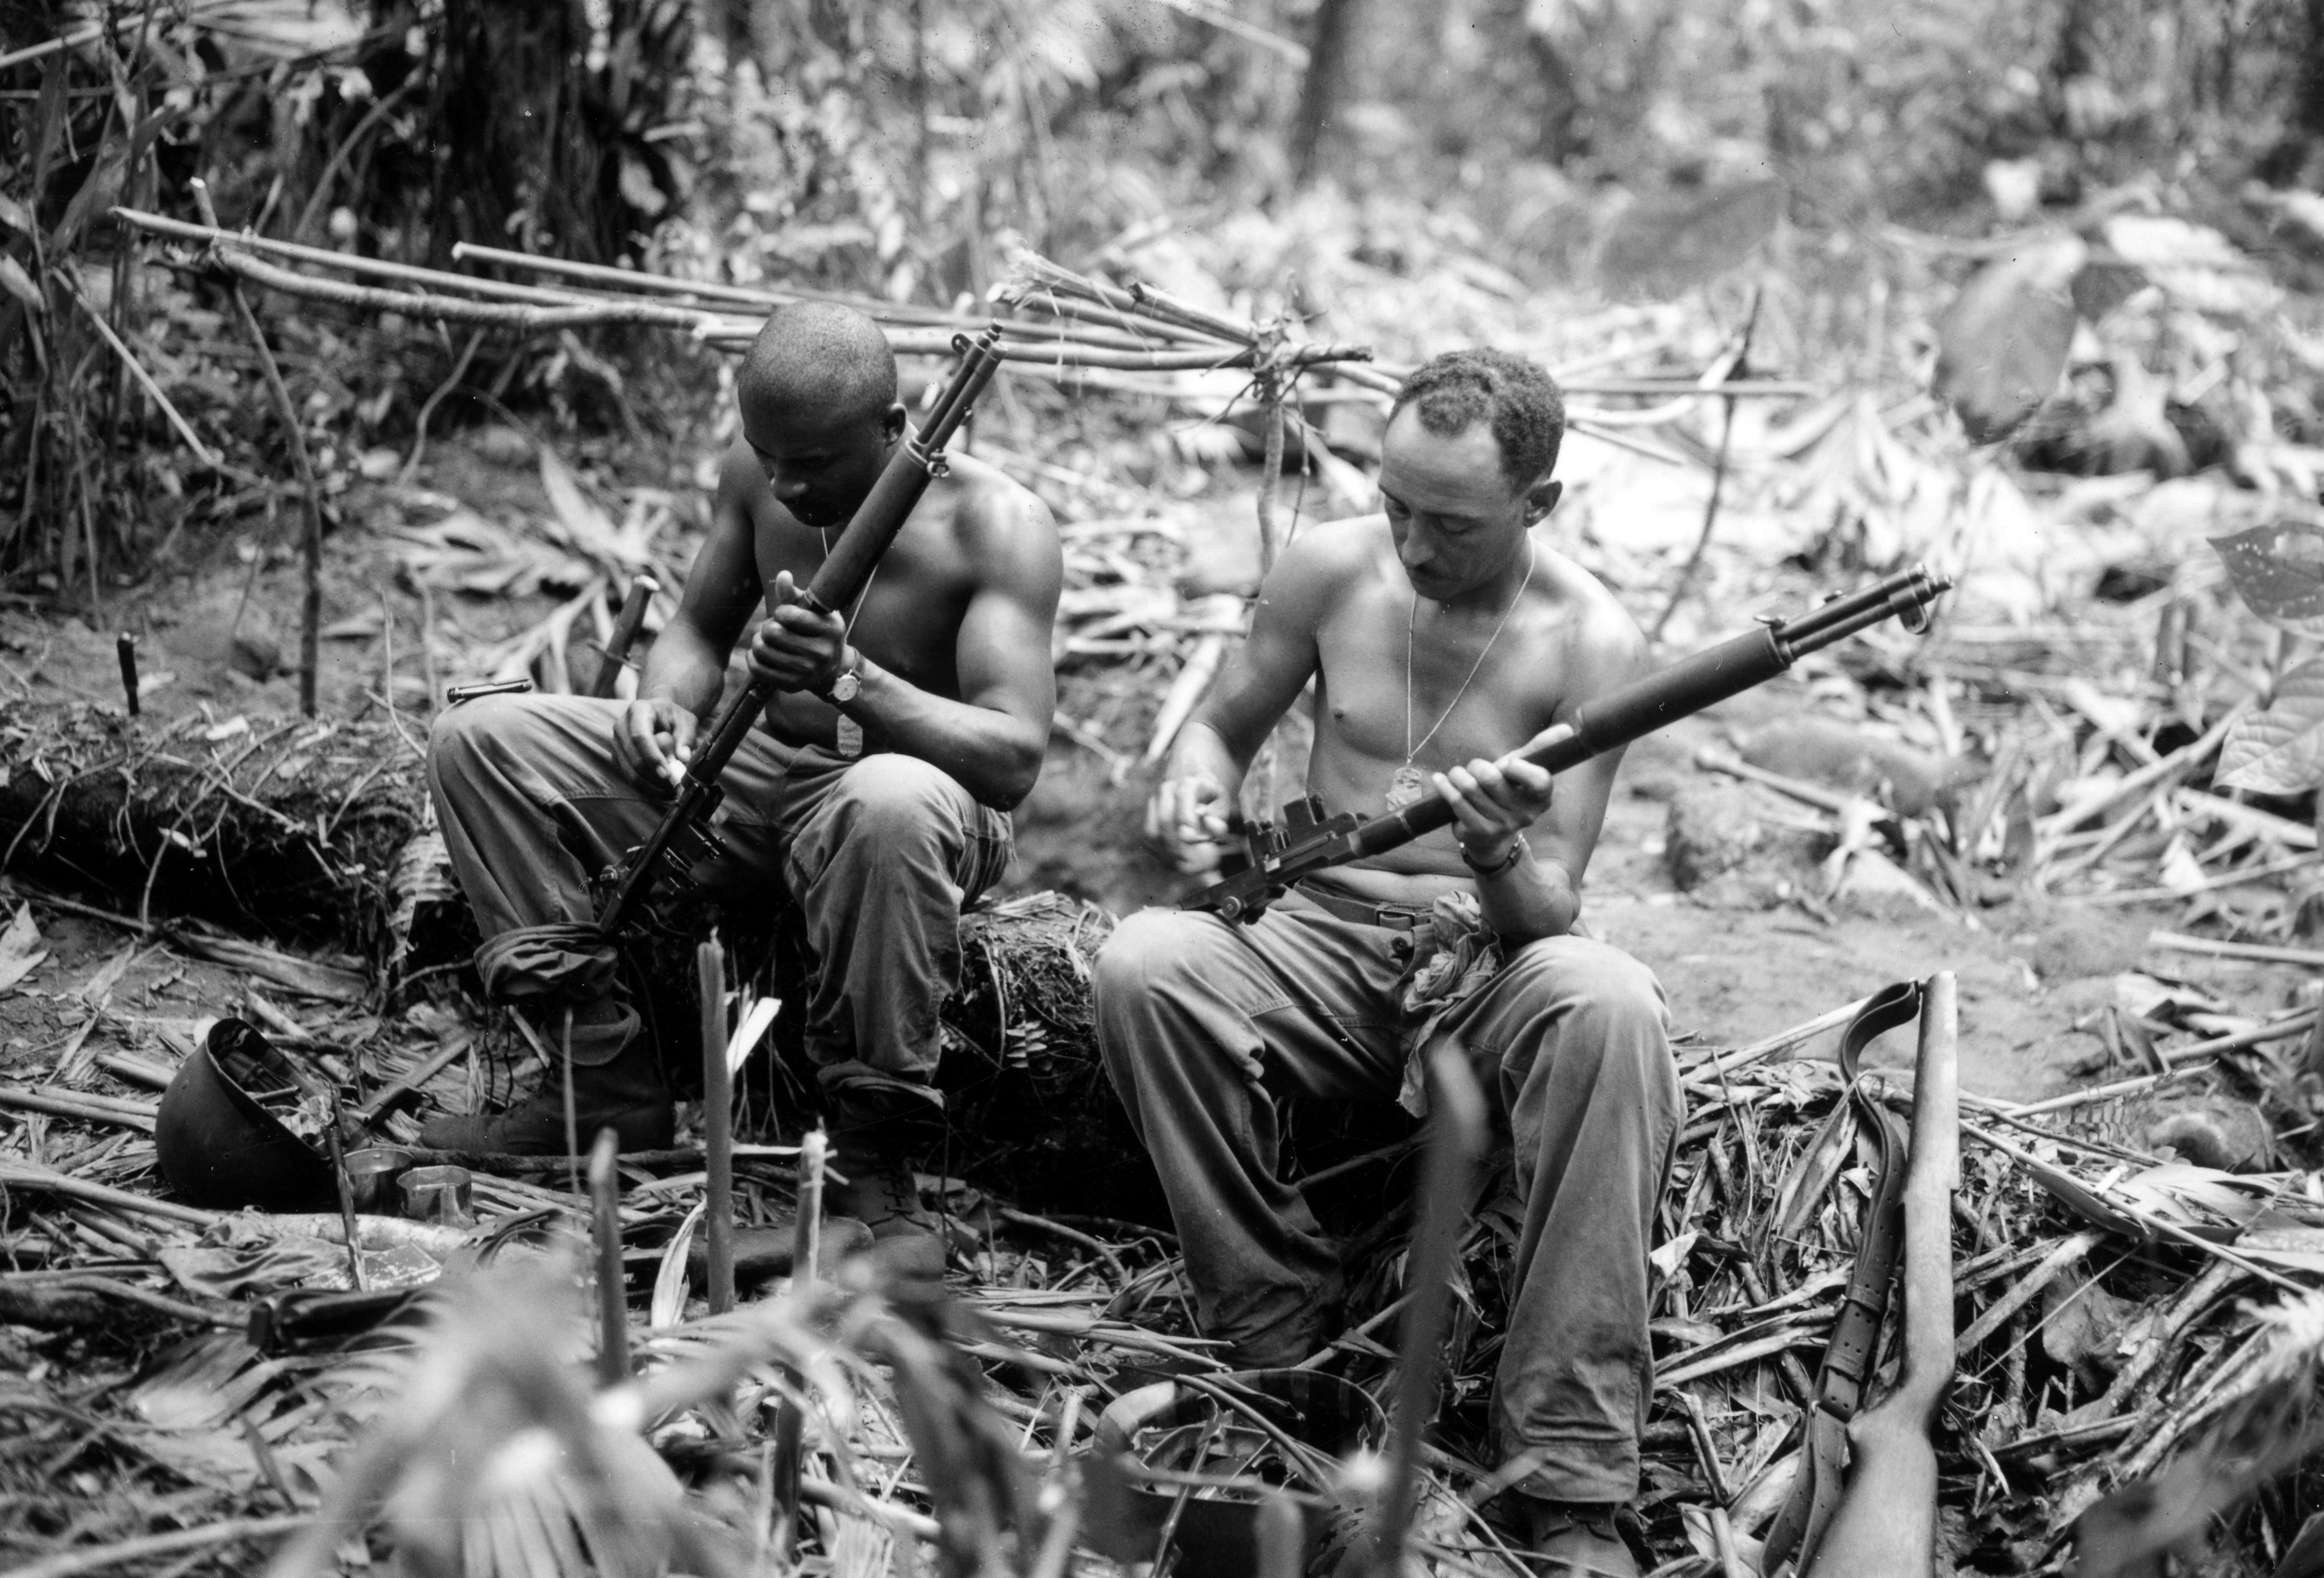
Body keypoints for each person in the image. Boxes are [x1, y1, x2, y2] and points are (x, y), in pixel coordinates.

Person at [1093, 349, 1680, 1577]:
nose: (1412, 547)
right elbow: (1215, 724)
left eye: (1449, 525)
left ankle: (1569, 1474)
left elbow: (1547, 918)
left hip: (1480, 954)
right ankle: (1280, 1347)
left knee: (1610, 1004)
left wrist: (1494, 851)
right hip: (1310, 937)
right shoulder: (1330, 567)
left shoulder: (1588, 641)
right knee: (1145, 963)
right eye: (1396, 504)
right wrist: (1195, 786)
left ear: (1538, 506)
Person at [419, 302, 1064, 1272]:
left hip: (911, 801)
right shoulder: (761, 473)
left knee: (881, 801)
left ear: (895, 433)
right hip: (754, 774)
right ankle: (601, 1076)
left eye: (813, 464)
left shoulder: (997, 527)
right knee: (481, 738)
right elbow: (695, 629)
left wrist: (854, 679)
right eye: (770, 458)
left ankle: (871, 1165)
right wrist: (663, 704)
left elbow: (1013, 757)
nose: (785, 484)